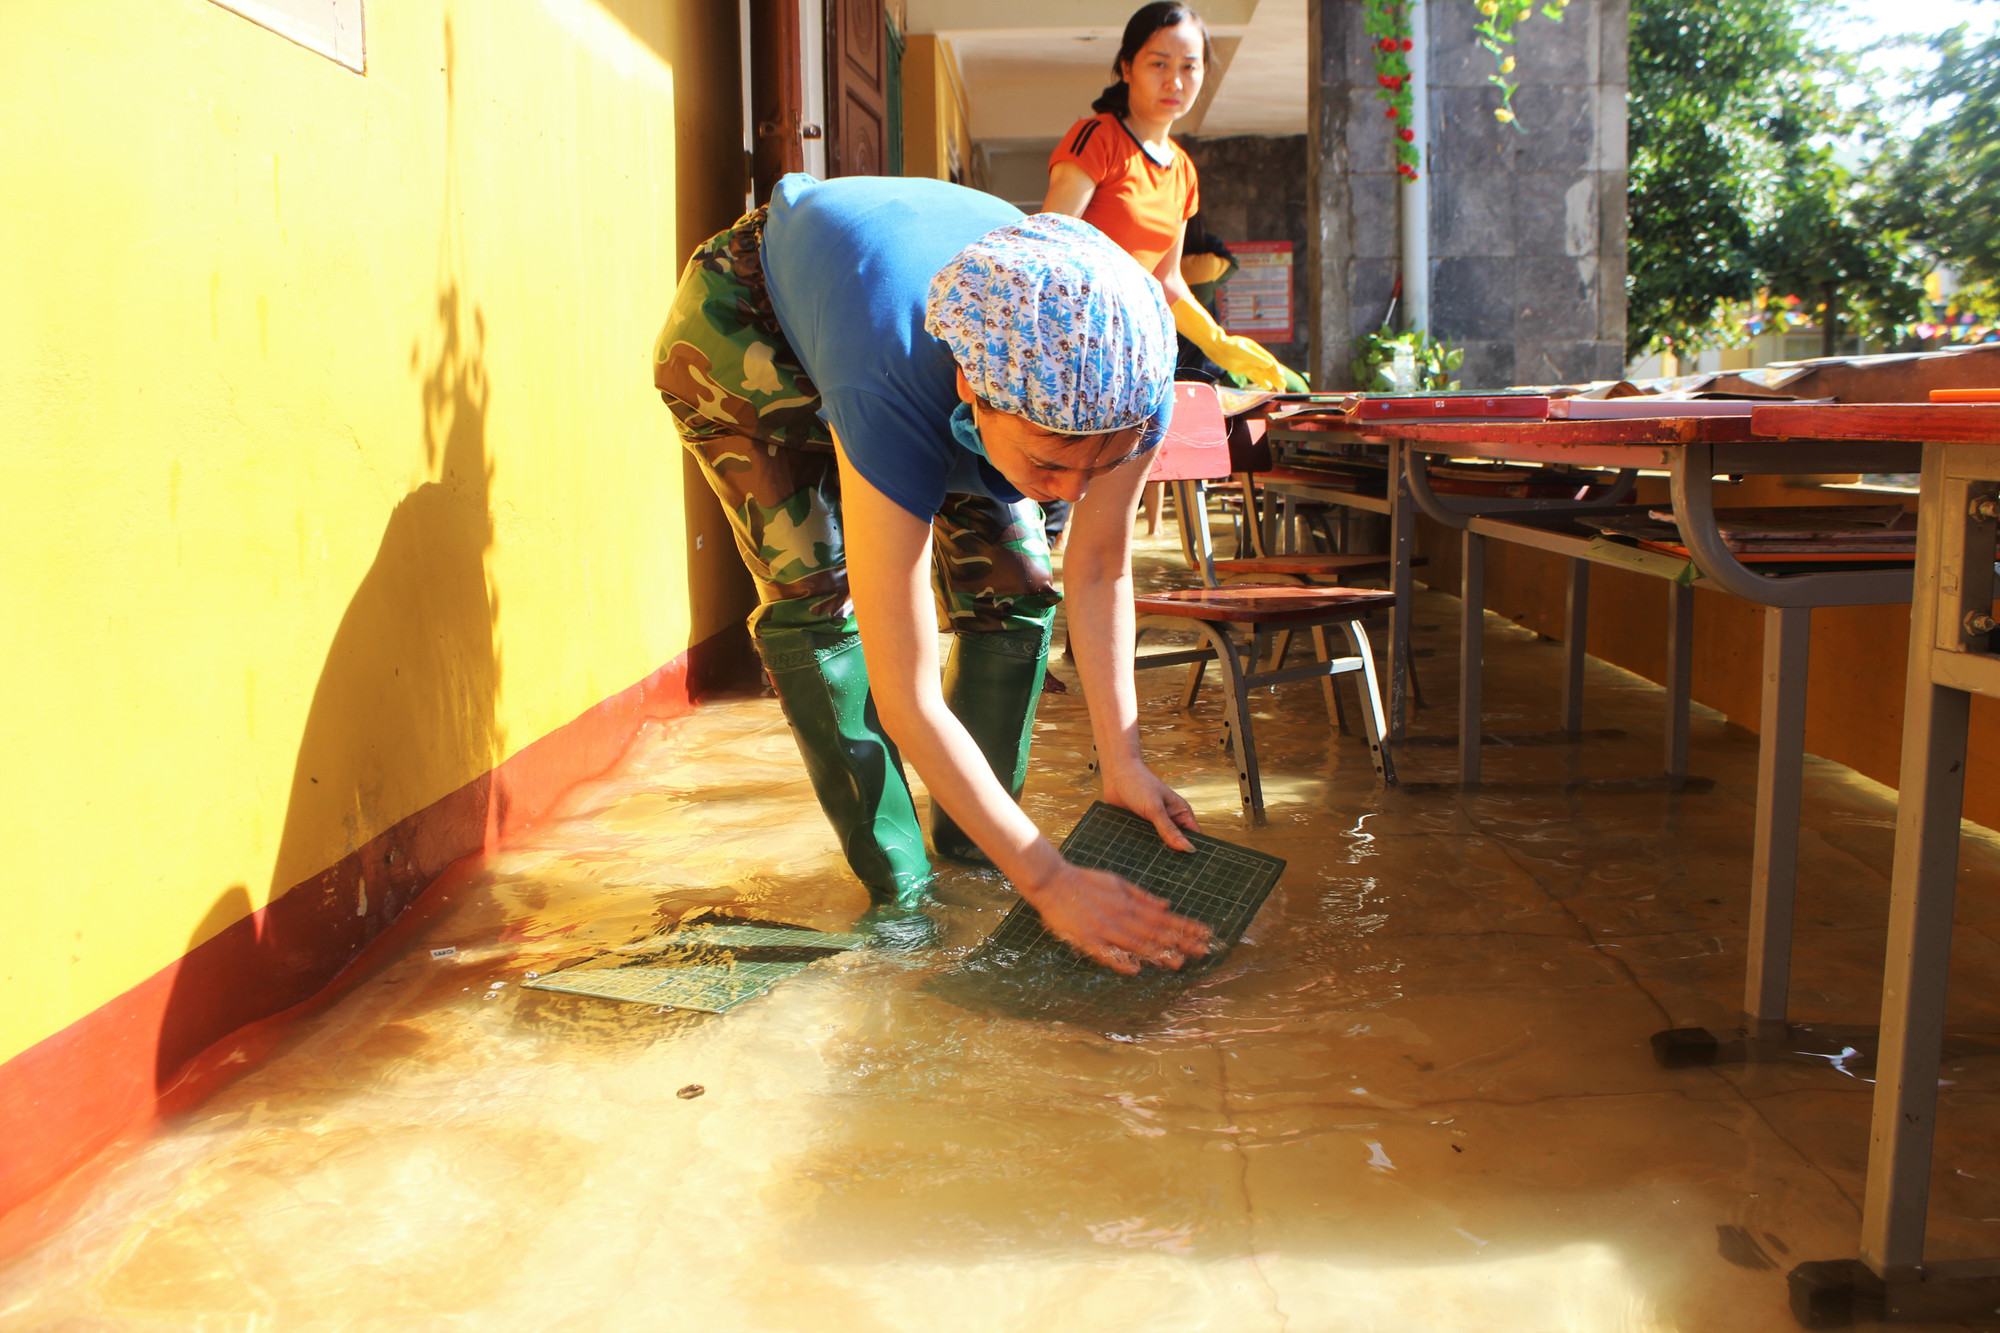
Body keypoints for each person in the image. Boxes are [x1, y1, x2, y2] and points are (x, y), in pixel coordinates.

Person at [652, 173, 1211, 975]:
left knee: (1019, 585)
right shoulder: (890, 383)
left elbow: (1097, 566)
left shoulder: (1126, 379)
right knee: (817, 595)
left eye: (1099, 465)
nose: (1070, 494)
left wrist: (1123, 760)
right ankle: (901, 890)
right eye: (1051, 465)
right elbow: (905, 692)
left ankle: (979, 850)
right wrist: (1049, 878)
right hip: (752, 334)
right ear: (972, 394)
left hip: (961, 354)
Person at [1042, 2, 1303, 393]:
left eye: (1189, 67)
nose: (1175, 82)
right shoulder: (1096, 138)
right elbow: (1046, 249)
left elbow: (1167, 280)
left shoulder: (1183, 169)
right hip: (1073, 353)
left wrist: (1221, 345)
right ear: (1127, 67)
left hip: (1135, 359)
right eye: (1159, 64)